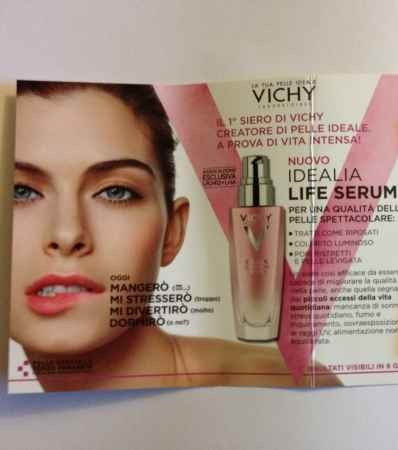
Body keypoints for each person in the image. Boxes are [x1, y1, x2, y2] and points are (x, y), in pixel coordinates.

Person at [10, 81, 338, 391]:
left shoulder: (283, 386)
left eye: (116, 192)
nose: (67, 234)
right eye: (20, 191)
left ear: (172, 232)